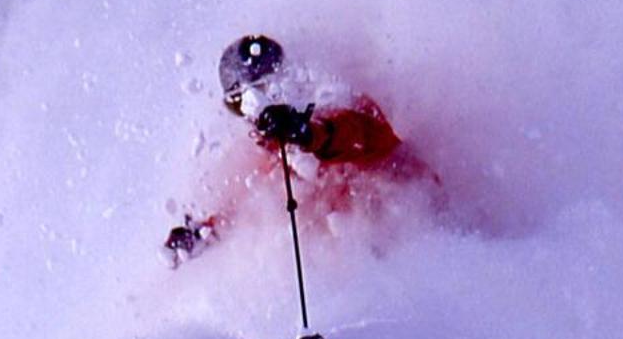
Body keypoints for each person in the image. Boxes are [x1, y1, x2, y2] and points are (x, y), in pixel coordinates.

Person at [164, 34, 435, 262]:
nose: (254, 114)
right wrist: (205, 232)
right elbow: (252, 202)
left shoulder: (340, 106)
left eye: (265, 92)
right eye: (239, 105)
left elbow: (348, 134)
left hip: (426, 235)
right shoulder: (275, 156)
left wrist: (304, 132)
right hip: (377, 264)